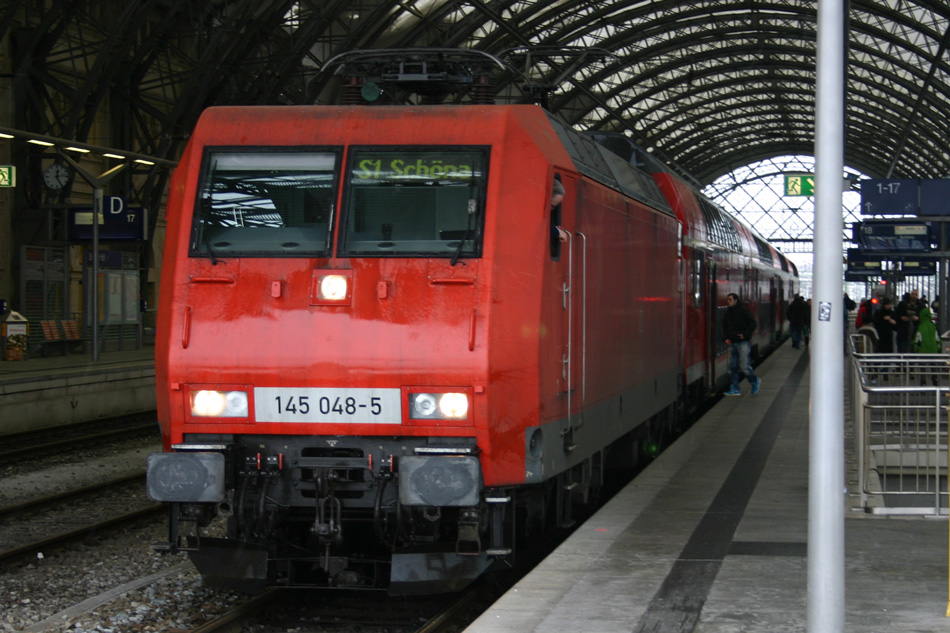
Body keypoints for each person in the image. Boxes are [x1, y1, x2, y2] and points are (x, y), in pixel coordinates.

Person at [722, 292, 760, 396]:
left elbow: (752, 323)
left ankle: (754, 381)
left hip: (743, 342)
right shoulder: (728, 313)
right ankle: (735, 388)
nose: (728, 301)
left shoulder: (743, 311)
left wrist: (746, 335)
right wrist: (725, 338)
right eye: (727, 299)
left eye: (730, 299)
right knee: (732, 367)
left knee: (744, 366)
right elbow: (724, 327)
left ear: (735, 300)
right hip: (733, 342)